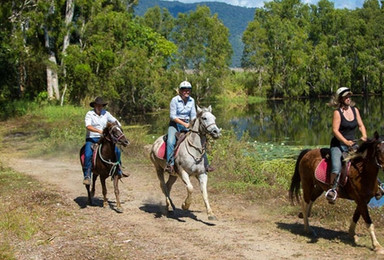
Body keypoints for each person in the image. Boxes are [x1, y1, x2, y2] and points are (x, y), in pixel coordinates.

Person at [325, 87, 367, 203]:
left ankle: (377, 186)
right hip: (338, 145)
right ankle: (333, 190)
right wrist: (345, 141)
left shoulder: (355, 110)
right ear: (341, 99)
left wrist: (364, 135)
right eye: (346, 97)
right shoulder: (337, 113)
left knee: (366, 162)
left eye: (349, 96)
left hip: (352, 145)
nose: (348, 99)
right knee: (336, 167)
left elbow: (361, 125)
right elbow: (335, 131)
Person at [164, 81, 214, 173]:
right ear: (180, 91)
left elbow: (193, 115)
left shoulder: (192, 100)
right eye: (184, 90)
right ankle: (169, 164)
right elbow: (173, 116)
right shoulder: (174, 100)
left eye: (188, 90)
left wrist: (195, 124)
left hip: (188, 125)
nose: (186, 92)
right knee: (171, 142)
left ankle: (206, 164)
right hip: (175, 125)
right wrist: (184, 124)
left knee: (201, 140)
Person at [83, 97, 127, 185]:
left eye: (101, 106)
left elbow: (115, 121)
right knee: (87, 154)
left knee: (117, 151)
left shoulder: (106, 113)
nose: (100, 107)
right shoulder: (90, 114)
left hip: (104, 138)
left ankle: (118, 170)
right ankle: (87, 176)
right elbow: (88, 126)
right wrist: (99, 131)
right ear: (94, 105)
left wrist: (116, 125)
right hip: (92, 138)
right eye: (98, 105)